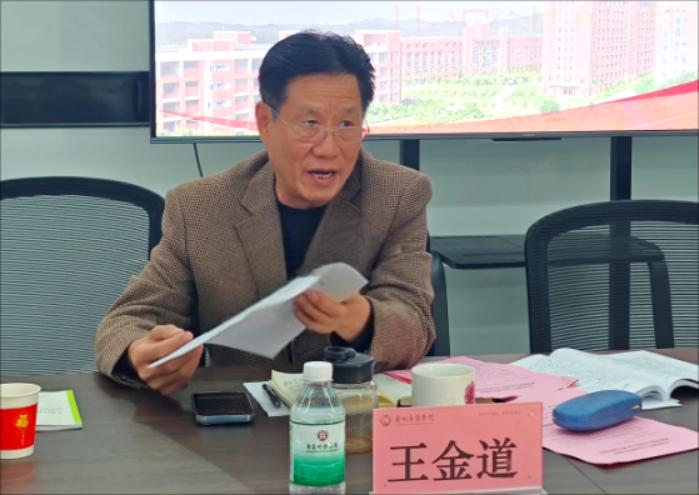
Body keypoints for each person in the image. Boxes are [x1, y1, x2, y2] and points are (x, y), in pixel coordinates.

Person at [95, 31, 435, 395]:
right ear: (265, 122)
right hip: (242, 415)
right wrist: (141, 352)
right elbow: (128, 319)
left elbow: (415, 322)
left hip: (352, 410)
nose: (328, 148)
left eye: (347, 125)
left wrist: (360, 319)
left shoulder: (397, 194)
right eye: (310, 124)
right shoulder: (200, 207)